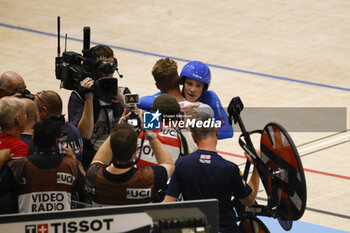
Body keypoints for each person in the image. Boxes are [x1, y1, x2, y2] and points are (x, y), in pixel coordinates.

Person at [163, 112, 260, 233]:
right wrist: (257, 167)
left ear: (193, 137)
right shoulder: (230, 168)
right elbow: (249, 200)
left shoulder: (181, 164)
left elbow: (167, 204)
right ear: (217, 132)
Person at [0, 119, 85, 213]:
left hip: (25, 225)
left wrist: (1, 161)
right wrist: (73, 157)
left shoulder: (17, 166)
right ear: (58, 142)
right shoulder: (70, 165)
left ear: (33, 139)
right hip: (61, 225)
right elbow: (85, 189)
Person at [85, 120, 175, 206]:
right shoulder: (149, 178)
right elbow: (168, 164)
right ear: (136, 150)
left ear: (111, 148)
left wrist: (116, 131)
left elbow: (99, 160)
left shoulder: (94, 175)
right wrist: (150, 134)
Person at [138, 58, 233, 139]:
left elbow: (228, 131)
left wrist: (196, 133)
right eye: (189, 84)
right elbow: (142, 102)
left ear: (204, 88)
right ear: (181, 81)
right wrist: (177, 108)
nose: (192, 90)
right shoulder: (166, 99)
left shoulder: (210, 97)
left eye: (198, 86)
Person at [68, 45, 130, 168]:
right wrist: (89, 100)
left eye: (111, 66)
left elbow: (139, 119)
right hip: (91, 161)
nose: (107, 72)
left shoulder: (123, 92)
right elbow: (85, 135)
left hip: (119, 158)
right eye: (103, 67)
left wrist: (119, 97)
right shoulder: (79, 96)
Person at [137, 94, 197, 167]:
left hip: (140, 176)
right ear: (177, 116)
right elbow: (194, 156)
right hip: (167, 176)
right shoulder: (182, 136)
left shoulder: (140, 130)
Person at [34, 90, 84, 161]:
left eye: (35, 109)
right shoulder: (72, 128)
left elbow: (63, 162)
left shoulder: (60, 135)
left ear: (44, 111)